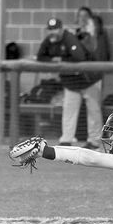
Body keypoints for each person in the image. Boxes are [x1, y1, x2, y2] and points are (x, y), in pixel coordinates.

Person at [36, 17, 103, 149]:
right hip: (71, 82)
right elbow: (40, 56)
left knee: (93, 111)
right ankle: (66, 140)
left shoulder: (69, 38)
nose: (53, 32)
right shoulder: (48, 41)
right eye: (50, 30)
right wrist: (56, 59)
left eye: (55, 29)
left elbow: (79, 58)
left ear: (61, 29)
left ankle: (94, 141)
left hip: (89, 79)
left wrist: (58, 59)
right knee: (69, 110)